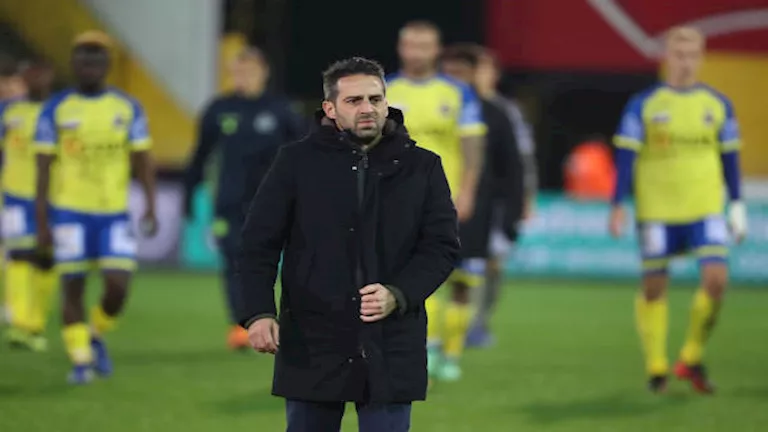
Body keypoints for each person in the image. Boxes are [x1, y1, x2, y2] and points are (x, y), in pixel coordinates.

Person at [237, 57, 460, 432]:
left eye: (375, 99)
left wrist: (398, 293)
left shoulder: (422, 166)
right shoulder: (295, 162)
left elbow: (442, 247)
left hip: (391, 340)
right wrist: (258, 312)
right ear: (330, 108)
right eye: (354, 101)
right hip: (313, 339)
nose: (367, 108)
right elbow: (258, 244)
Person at [609, 26, 746, 395]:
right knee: (654, 288)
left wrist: (736, 204)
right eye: (679, 54)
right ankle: (657, 366)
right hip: (657, 209)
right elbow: (626, 156)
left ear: (701, 58)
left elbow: (730, 158)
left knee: (717, 280)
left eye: (693, 55)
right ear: (667, 57)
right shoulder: (644, 104)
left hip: (705, 208)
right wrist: (617, 203)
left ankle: (691, 356)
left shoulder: (717, 104)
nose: (686, 62)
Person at [34, 31, 158, 384]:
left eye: (97, 59)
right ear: (73, 64)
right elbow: (42, 170)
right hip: (69, 213)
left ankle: (94, 333)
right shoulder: (56, 108)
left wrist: (150, 205)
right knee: (72, 285)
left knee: (118, 287)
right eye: (83, 59)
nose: (90, 65)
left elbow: (142, 159)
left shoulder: (127, 107)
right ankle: (81, 361)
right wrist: (41, 221)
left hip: (113, 214)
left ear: (107, 65)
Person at [183, 46, 306, 350]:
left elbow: (305, 154)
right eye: (238, 71)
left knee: (286, 262)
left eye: (249, 71)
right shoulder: (219, 109)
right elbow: (200, 156)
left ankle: (291, 320)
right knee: (235, 261)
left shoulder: (282, 110)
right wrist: (189, 195)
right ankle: (241, 325)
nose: (243, 77)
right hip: (230, 203)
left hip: (275, 202)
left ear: (264, 72)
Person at [386, 21, 486, 383]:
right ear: (401, 48)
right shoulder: (384, 90)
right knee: (413, 276)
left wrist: (469, 191)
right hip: (398, 201)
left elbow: (472, 146)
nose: (417, 52)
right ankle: (426, 346)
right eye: (410, 45)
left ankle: (453, 353)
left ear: (436, 50)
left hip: (449, 199)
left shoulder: (458, 93)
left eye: (424, 45)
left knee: (460, 279)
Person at [440, 45, 527, 349]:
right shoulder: (432, 105)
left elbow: (513, 165)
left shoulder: (495, 113)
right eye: (450, 72)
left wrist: (513, 211)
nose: (455, 79)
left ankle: (471, 328)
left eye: (462, 73)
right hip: (429, 203)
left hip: (478, 208)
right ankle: (429, 336)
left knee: (473, 273)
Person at [1, 59, 58, 351]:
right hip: (15, 196)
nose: (34, 78)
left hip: (54, 197)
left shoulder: (62, 111)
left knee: (47, 260)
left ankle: (35, 323)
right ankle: (19, 323)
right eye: (29, 74)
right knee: (19, 256)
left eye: (39, 73)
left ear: (50, 76)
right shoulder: (8, 111)